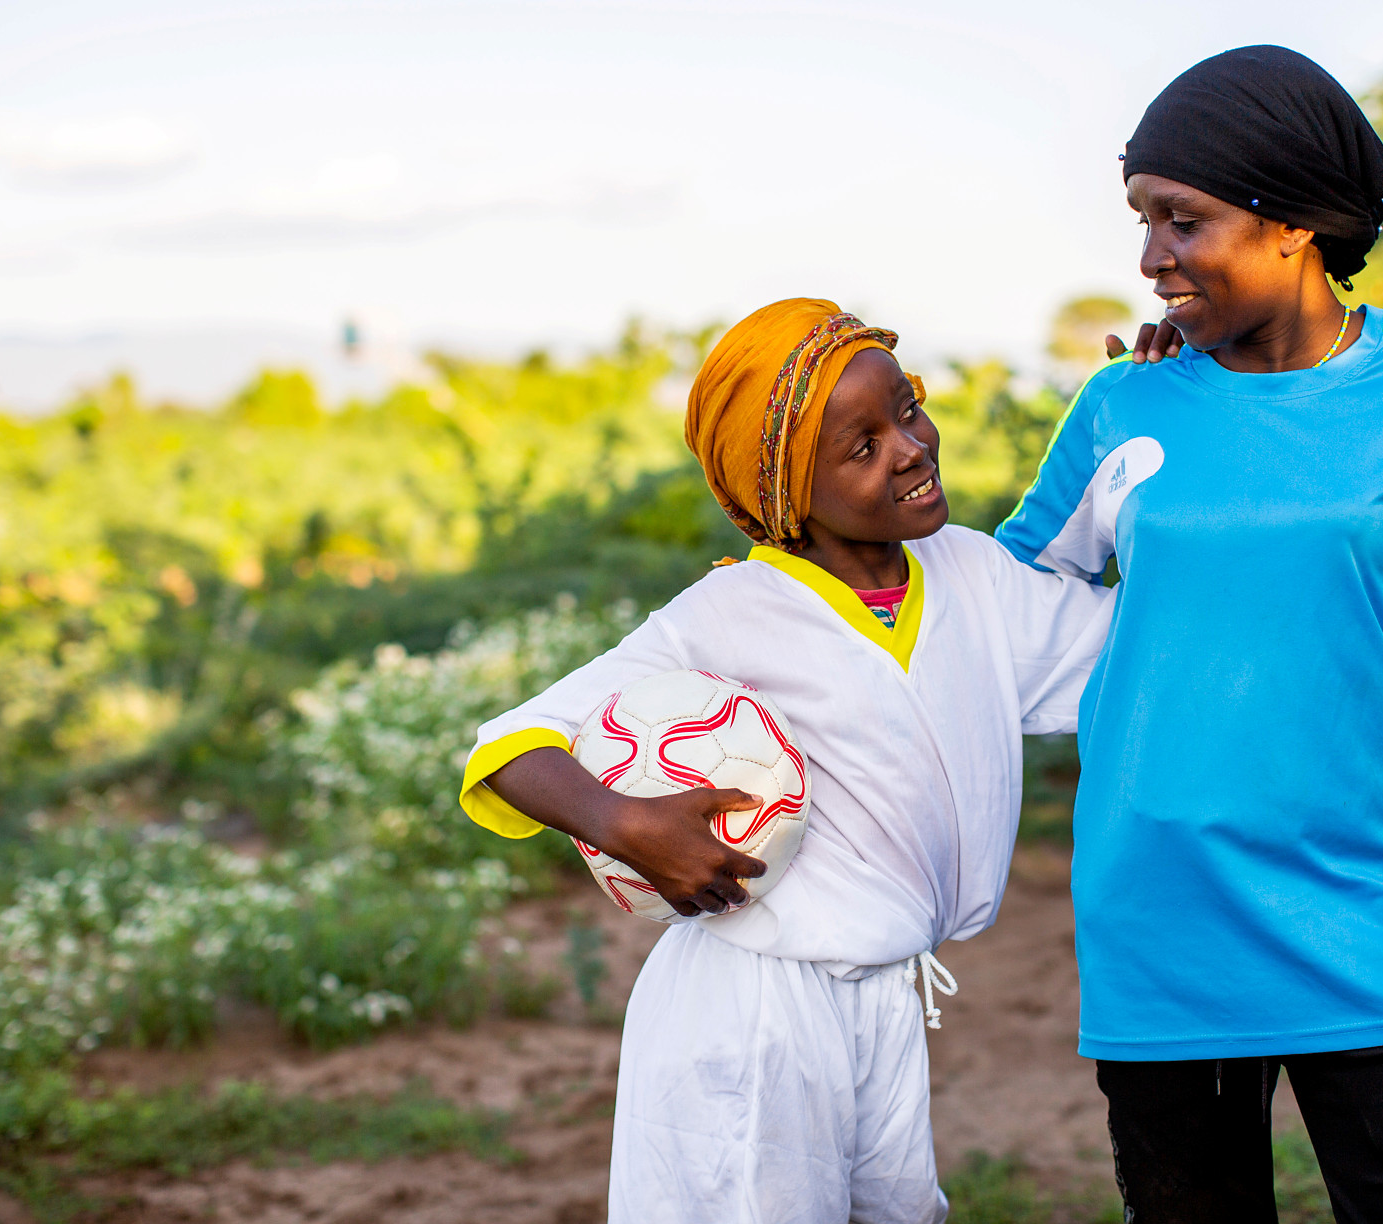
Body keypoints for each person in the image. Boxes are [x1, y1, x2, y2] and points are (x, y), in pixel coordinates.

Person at [996, 46, 1383, 1223]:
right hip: (1163, 937)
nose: (1151, 256)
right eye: (1143, 221)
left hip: (1379, 937)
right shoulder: (1125, 405)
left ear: (1294, 225)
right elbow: (997, 607)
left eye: (1184, 220)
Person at [457, 298, 1113, 1224]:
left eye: (910, 407)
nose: (912, 445)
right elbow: (512, 744)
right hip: (752, 1011)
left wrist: (1153, 417)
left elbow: (1141, 656)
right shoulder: (724, 619)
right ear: (782, 494)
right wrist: (623, 823)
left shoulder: (971, 575)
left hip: (886, 995)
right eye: (862, 445)